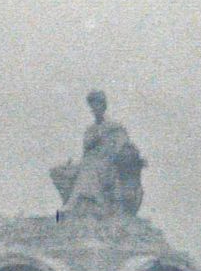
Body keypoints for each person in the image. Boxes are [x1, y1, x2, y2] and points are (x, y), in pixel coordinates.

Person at [52, 89, 146, 217]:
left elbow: (123, 148)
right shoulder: (90, 130)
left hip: (109, 165)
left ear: (103, 106)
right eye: (92, 105)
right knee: (60, 170)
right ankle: (79, 205)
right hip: (90, 162)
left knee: (90, 169)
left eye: (97, 104)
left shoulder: (115, 127)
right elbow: (85, 153)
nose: (94, 108)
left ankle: (78, 203)